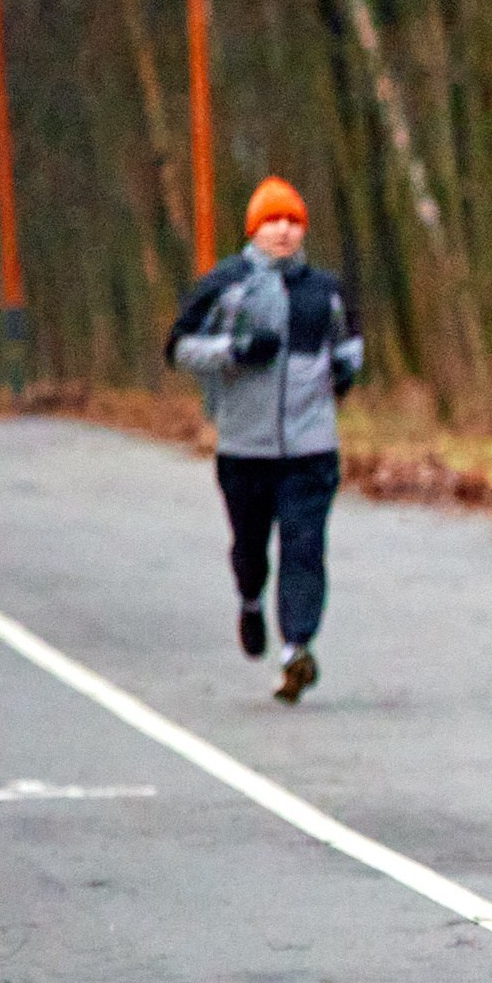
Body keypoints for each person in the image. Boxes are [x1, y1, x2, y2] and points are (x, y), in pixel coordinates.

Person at [165, 176, 364, 706]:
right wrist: (235, 350)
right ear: (254, 228)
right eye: (272, 221)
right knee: (251, 547)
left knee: (304, 546)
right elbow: (181, 348)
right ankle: (250, 600)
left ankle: (296, 646)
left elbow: (349, 344)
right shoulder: (226, 284)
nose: (283, 230)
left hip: (311, 446)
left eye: (292, 221)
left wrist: (343, 375)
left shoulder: (324, 290)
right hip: (244, 447)